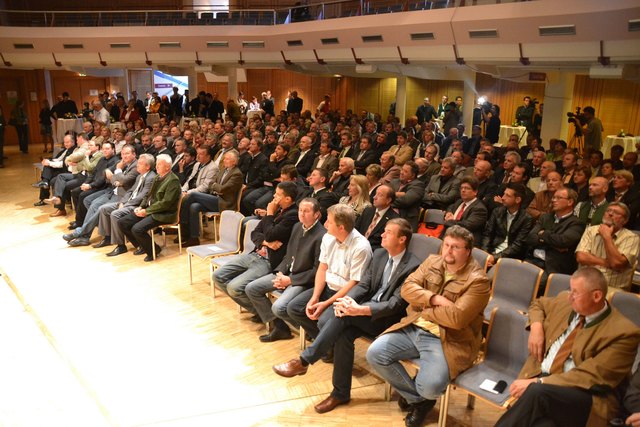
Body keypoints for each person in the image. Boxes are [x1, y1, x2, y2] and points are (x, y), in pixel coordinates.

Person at [272, 218, 422, 413]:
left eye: (388, 232)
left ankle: (303, 361)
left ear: (402, 239)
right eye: (384, 231)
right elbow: (364, 286)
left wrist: (358, 309)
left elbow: (395, 304)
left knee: (343, 316)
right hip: (364, 310)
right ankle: (340, 393)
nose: (382, 235)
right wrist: (347, 302)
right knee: (343, 331)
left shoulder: (413, 266)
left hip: (387, 318)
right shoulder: (379, 255)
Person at [366, 225, 491, 427]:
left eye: (455, 247)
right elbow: (407, 289)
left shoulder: (478, 281)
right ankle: (420, 401)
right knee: (375, 353)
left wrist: (423, 308)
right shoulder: (433, 261)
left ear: (467, 251)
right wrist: (434, 299)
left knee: (430, 386)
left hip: (447, 339)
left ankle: (421, 396)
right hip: (414, 326)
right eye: (446, 245)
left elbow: (457, 319)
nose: (448, 251)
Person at [494, 268, 640, 427]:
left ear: (596, 296)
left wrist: (539, 382)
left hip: (586, 396)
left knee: (537, 393)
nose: (570, 297)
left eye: (575, 293)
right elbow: (538, 304)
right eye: (570, 290)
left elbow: (590, 377)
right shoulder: (565, 300)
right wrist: (536, 327)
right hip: (545, 380)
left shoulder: (624, 332)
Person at [286, 204, 372, 341]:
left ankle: (326, 344)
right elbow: (322, 268)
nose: (325, 224)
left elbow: (354, 283)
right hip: (327, 287)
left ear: (341, 228)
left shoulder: (361, 247)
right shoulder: (328, 237)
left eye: (329, 222)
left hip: (346, 295)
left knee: (323, 321)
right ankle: (326, 344)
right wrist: (315, 297)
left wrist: (326, 304)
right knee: (294, 308)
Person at [245, 198, 326, 342]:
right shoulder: (297, 227)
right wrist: (280, 273)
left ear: (316, 214)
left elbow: (317, 270)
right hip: (287, 274)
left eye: (306, 211)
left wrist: (290, 280)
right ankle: (280, 328)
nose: (301, 214)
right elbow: (289, 256)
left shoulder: (322, 236)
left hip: (303, 281)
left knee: (279, 307)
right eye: (300, 210)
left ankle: (313, 332)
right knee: (251, 288)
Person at [213, 182, 299, 317]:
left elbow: (270, 234)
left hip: (268, 261)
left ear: (288, 199)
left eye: (277, 194)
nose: (274, 196)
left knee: (234, 288)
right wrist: (265, 242)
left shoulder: (292, 215)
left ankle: (271, 319)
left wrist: (269, 213)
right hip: (256, 253)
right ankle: (261, 313)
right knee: (218, 276)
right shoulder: (278, 209)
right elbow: (255, 232)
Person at [116, 154, 181, 262]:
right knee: (122, 222)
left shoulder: (173, 180)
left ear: (168, 167)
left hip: (164, 213)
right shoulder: (157, 177)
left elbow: (165, 203)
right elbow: (148, 195)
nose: (157, 166)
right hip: (152, 210)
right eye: (157, 164)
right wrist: (141, 206)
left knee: (137, 229)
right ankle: (142, 246)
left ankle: (153, 251)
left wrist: (146, 211)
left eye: (160, 164)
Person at [179, 151, 244, 247]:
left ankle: (183, 224)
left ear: (234, 162)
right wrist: (216, 187)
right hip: (216, 198)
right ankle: (194, 238)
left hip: (225, 203)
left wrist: (216, 187)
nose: (224, 160)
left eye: (227, 159)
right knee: (194, 206)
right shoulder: (223, 170)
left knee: (193, 195)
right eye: (224, 158)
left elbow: (223, 189)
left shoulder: (237, 174)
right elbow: (211, 184)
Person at [98, 154, 157, 254]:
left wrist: (126, 205)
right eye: (137, 163)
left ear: (147, 166)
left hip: (137, 205)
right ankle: (108, 237)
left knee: (115, 214)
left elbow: (142, 196)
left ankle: (120, 245)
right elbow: (130, 191)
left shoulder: (151, 177)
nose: (137, 165)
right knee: (103, 209)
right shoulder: (139, 176)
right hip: (128, 202)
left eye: (140, 164)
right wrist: (122, 202)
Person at [576, 202, 640, 291]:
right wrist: (606, 263)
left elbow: (617, 263)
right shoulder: (591, 230)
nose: (610, 214)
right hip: (584, 282)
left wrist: (607, 237)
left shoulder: (632, 238)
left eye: (616, 213)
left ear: (625, 221)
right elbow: (581, 257)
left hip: (610, 288)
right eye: (608, 211)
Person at [525, 187, 586, 276]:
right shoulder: (545, 217)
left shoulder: (576, 223)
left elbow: (563, 241)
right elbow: (530, 238)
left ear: (570, 202)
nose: (553, 200)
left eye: (558, 198)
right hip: (532, 260)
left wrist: (543, 234)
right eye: (553, 197)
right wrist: (553, 244)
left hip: (552, 267)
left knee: (527, 282)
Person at [481, 183, 534, 267]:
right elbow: (488, 234)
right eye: (504, 194)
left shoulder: (527, 219)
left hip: (509, 258)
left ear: (517, 200)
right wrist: (485, 253)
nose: (503, 198)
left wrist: (495, 258)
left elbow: (518, 245)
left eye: (507, 196)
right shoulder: (497, 211)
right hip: (491, 251)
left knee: (489, 276)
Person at [443, 176, 488, 244]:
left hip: (464, 241)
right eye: (461, 188)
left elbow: (466, 226)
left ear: (475, 192)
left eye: (467, 188)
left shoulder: (480, 209)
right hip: (449, 237)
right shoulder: (459, 202)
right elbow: (450, 207)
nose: (463, 190)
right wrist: (448, 213)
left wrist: (450, 221)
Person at [355, 185, 399, 251]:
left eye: (380, 195)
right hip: (356, 247)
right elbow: (356, 229)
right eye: (376, 194)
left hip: (373, 252)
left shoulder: (394, 219)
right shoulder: (367, 211)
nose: (374, 197)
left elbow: (386, 244)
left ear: (388, 200)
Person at [389, 161, 426, 232]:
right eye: (402, 169)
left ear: (413, 175)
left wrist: (388, 200)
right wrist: (398, 194)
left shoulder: (418, 185)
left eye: (405, 171)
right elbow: (385, 194)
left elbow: (406, 200)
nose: (401, 172)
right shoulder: (394, 182)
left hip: (405, 220)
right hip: (389, 215)